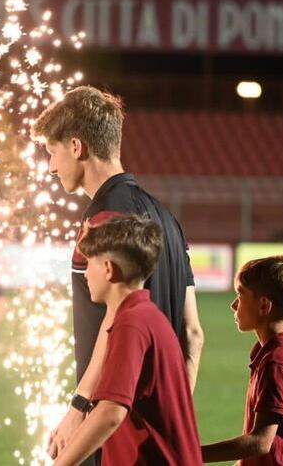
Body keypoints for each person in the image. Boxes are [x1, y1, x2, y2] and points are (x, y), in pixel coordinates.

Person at [32, 85, 205, 463]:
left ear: (76, 147)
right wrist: (171, 416)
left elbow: (114, 323)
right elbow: (193, 333)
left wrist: (78, 408)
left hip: (112, 424)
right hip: (154, 432)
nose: (50, 166)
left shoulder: (103, 222)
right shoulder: (168, 219)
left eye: (52, 152)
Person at [54, 215, 201, 466]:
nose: (86, 274)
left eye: (89, 264)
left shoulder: (132, 324)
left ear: (108, 269)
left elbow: (111, 412)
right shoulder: (144, 316)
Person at [201, 256, 283, 465]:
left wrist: (188, 454)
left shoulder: (278, 362)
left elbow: (261, 442)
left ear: (263, 305)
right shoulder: (273, 353)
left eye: (240, 294)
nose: (233, 305)